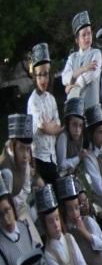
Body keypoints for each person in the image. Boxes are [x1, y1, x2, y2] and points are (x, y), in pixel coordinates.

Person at [26, 43, 61, 186]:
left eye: (46, 74)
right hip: (39, 158)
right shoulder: (33, 101)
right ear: (34, 76)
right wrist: (50, 127)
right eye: (39, 75)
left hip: (52, 156)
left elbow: (57, 126)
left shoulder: (51, 99)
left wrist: (52, 127)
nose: (43, 80)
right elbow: (42, 126)